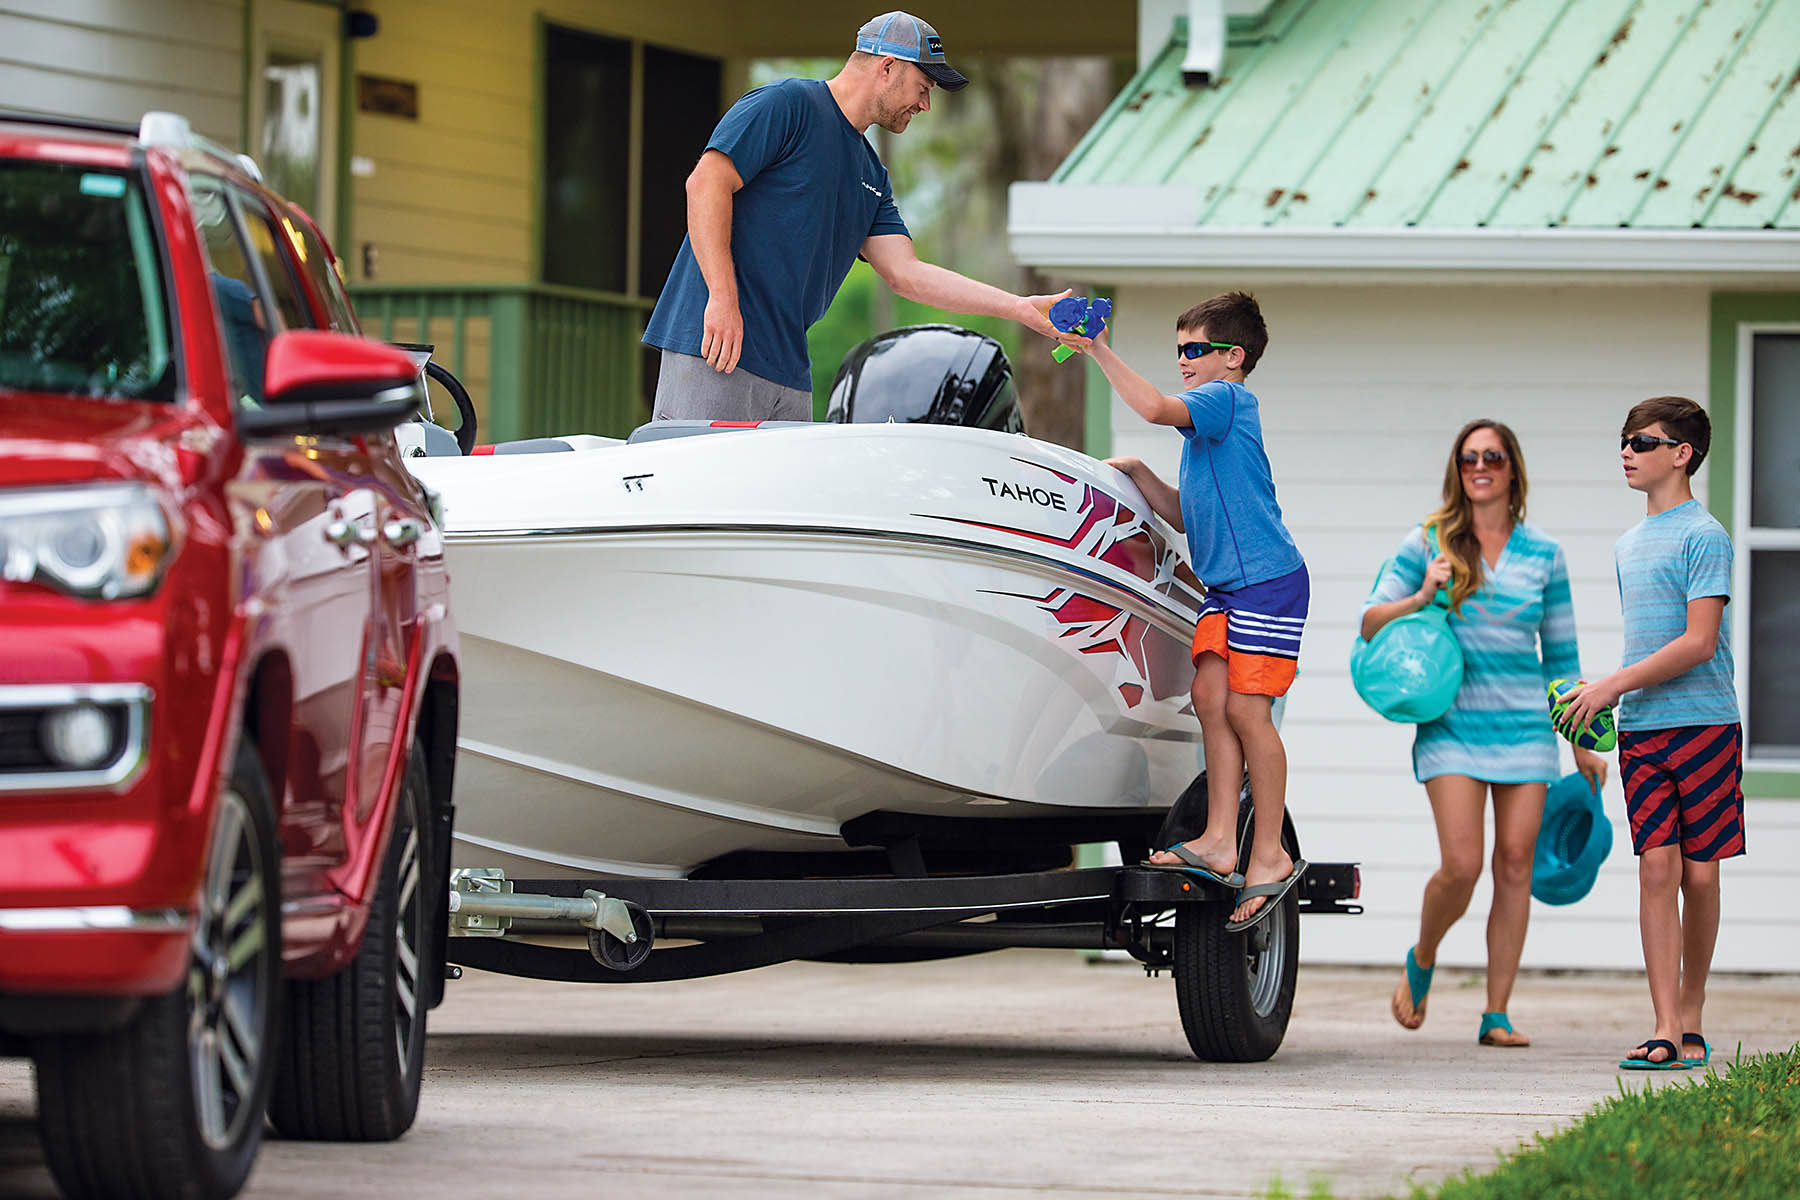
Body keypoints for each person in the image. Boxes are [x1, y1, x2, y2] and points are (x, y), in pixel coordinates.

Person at [643, 11, 1077, 421]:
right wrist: (721, 298)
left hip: (789, 371)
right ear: (887, 67)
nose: (925, 105)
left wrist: (1020, 308)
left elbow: (906, 274)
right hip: (715, 346)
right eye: (923, 87)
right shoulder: (787, 105)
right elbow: (705, 184)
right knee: (695, 494)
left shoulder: (872, 175)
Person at [1366, 420, 1607, 1047]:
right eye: (1469, 457)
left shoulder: (1545, 554)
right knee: (1462, 863)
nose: (1481, 466)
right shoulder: (1430, 542)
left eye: (1492, 457)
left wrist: (1580, 741)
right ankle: (1424, 954)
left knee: (1516, 863)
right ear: (1458, 468)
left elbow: (1561, 660)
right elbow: (1370, 622)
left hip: (1527, 728)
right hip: (1451, 725)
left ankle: (1496, 1011)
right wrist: (1423, 593)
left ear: (1511, 470)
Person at [1082, 292, 1308, 932]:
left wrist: (1096, 346)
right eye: (1177, 350)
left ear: (1233, 358)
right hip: (1226, 590)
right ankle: (1218, 839)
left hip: (1267, 582)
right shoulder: (1207, 427)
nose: (1183, 360)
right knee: (1210, 698)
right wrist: (1136, 475)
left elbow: (1152, 407)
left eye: (1194, 350)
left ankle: (1269, 852)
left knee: (1245, 708)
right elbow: (1190, 515)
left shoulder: (1227, 400)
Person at [1555, 397, 1742, 1071]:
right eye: (1625, 441)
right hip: (1642, 729)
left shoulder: (1706, 535)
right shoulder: (1627, 545)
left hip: (1706, 724)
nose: (1627, 451)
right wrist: (1604, 692)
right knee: (1656, 869)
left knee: (1702, 874)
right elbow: (1649, 642)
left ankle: (1693, 1012)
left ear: (1681, 453)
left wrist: (1611, 684)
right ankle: (1665, 1025)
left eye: (1641, 441)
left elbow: (1697, 643)